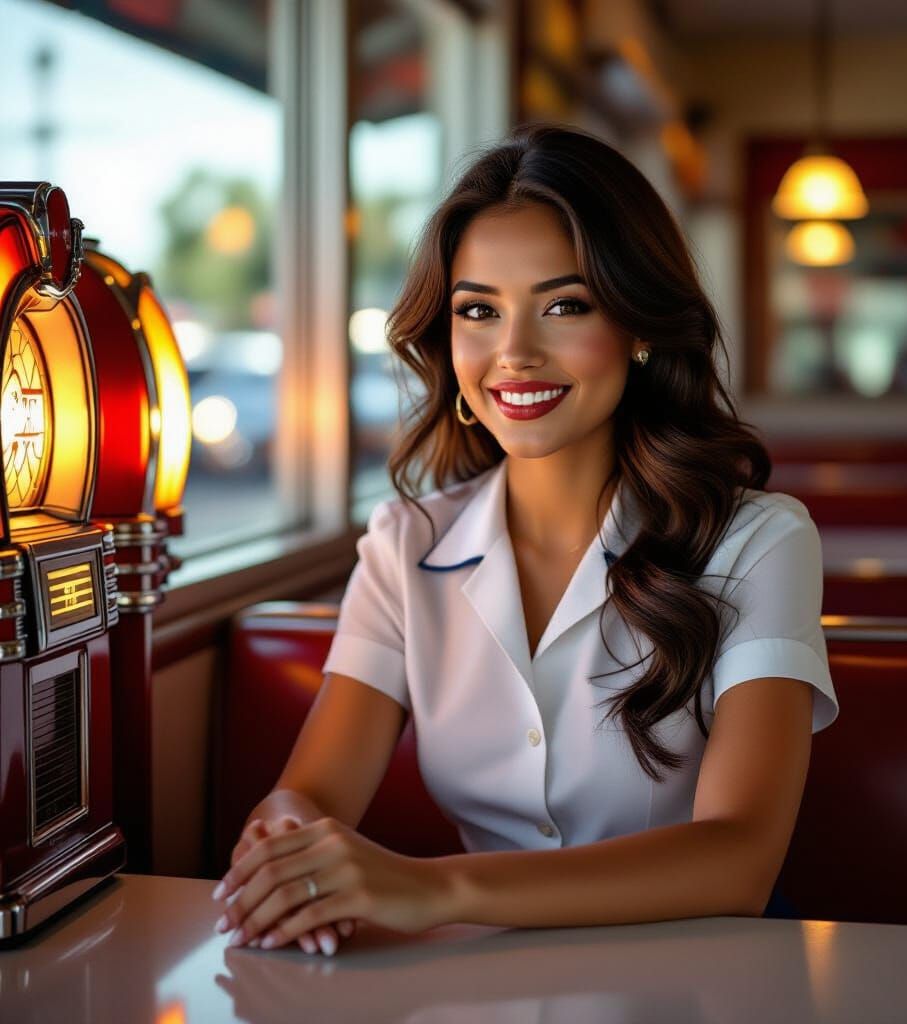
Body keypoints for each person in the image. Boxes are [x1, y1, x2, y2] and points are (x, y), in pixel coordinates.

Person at [212, 123, 839, 956]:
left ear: (640, 327)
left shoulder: (757, 539)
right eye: (479, 310)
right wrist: (287, 843)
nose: (514, 353)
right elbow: (312, 794)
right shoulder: (405, 544)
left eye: (564, 306)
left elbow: (739, 857)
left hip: (703, 977)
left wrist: (433, 889)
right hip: (485, 977)